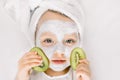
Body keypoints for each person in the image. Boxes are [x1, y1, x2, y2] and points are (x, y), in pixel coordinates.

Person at [15, 0, 91, 80]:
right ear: (34, 41)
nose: (59, 51)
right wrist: (21, 77)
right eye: (48, 40)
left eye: (69, 41)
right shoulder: (28, 74)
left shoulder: (80, 76)